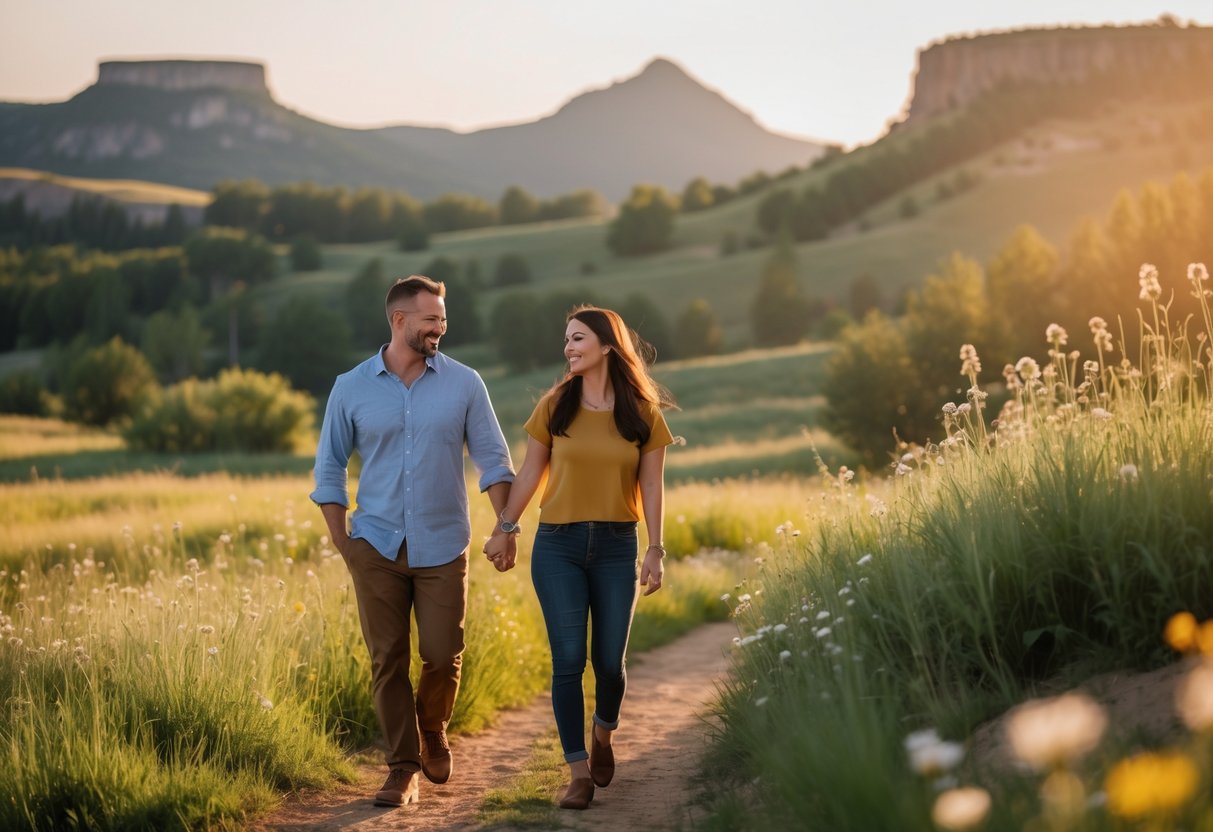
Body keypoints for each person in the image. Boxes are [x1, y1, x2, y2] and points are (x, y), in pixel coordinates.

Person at [311, 275, 516, 808]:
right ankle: (402, 769)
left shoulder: (466, 383)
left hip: (444, 543)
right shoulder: (350, 386)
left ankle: (433, 729)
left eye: (443, 319)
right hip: (374, 544)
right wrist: (343, 541)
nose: (440, 329)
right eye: (431, 320)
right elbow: (329, 466)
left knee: (443, 655)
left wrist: (505, 525)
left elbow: (494, 459)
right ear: (399, 320)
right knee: (387, 660)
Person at [484, 305, 675, 811]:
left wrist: (655, 549)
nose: (568, 348)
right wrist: (505, 527)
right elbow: (529, 475)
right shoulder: (555, 405)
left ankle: (603, 735)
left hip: (618, 545)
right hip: (558, 546)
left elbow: (652, 483)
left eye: (577, 339)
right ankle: (576, 773)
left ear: (607, 346)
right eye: (566, 340)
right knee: (568, 661)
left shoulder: (642, 413)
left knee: (609, 664)